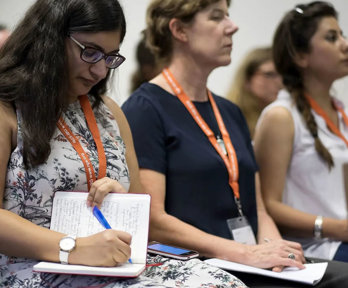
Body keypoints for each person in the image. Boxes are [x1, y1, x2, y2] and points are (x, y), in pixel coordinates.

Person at [0, 0, 247, 287]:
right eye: (90, 53)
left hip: (112, 264)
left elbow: (143, 218)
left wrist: (120, 201)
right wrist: (74, 247)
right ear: (50, 41)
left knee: (224, 282)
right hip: (36, 268)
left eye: (110, 57)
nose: (101, 71)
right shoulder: (8, 108)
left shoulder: (108, 111)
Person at [122, 0, 348, 287]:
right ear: (179, 30)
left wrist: (278, 252)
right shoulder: (145, 109)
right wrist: (246, 253)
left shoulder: (229, 111)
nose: (233, 26)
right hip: (199, 266)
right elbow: (154, 219)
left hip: (250, 259)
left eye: (228, 16)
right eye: (217, 18)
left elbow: (259, 209)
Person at [254, 1, 348, 263]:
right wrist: (337, 227)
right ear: (300, 56)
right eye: (332, 37)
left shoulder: (339, 111)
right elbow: (268, 204)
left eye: (342, 35)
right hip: (317, 248)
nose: (345, 44)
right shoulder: (281, 116)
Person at [227, 47, 283, 137]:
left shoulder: (286, 115)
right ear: (247, 79)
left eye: (283, 74)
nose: (280, 82)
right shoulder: (230, 117)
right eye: (269, 74)